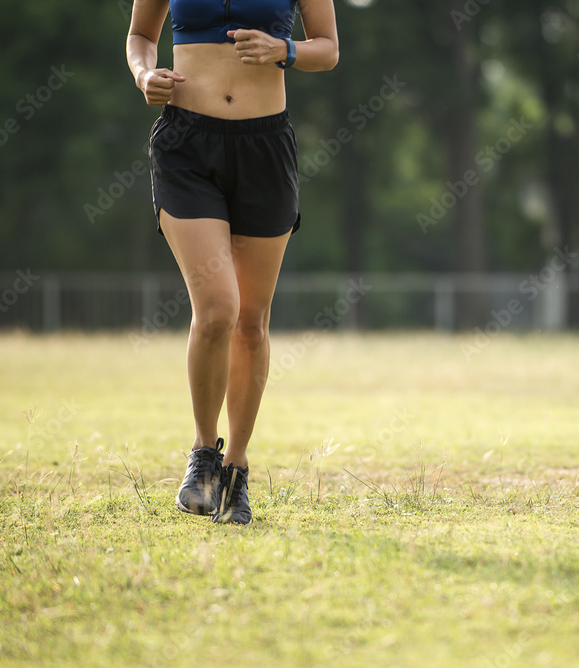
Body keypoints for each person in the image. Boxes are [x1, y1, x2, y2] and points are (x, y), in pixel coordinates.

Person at [126, 0, 338, 523]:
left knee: (250, 323)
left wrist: (283, 49)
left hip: (265, 149)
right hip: (186, 146)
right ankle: (203, 454)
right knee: (218, 307)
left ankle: (236, 472)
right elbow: (140, 36)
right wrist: (144, 74)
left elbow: (328, 49)